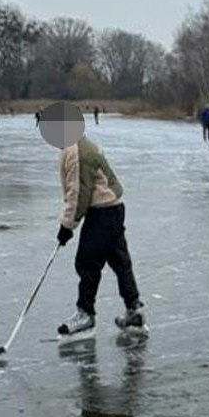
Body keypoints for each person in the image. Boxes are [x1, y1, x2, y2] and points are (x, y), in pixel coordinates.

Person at [55, 127, 144, 336]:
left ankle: (85, 313)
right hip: (113, 207)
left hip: (102, 212)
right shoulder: (80, 144)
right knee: (120, 261)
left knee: (87, 262)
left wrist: (67, 226)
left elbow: (78, 193)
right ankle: (134, 309)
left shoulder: (77, 151)